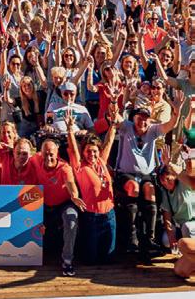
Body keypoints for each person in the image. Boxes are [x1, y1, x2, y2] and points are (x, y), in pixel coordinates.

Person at [114, 104, 180, 258]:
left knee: (150, 190)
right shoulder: (127, 127)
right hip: (126, 173)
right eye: (139, 118)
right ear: (134, 118)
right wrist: (113, 102)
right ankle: (132, 237)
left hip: (146, 175)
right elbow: (115, 117)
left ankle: (150, 238)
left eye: (145, 119)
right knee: (134, 187)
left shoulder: (153, 130)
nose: (142, 122)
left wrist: (176, 113)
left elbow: (170, 125)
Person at [66, 113, 117, 264]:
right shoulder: (80, 166)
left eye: (94, 151)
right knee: (90, 259)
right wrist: (70, 129)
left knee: (108, 259)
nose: (92, 154)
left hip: (109, 216)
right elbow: (73, 149)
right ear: (83, 152)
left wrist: (113, 125)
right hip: (91, 218)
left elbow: (109, 141)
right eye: (88, 151)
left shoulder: (101, 161)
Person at [31, 138, 86, 276]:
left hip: (64, 203)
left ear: (57, 154)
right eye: (45, 154)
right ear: (40, 153)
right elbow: (22, 153)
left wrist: (74, 195)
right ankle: (28, 254)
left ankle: (67, 260)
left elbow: (70, 182)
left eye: (51, 154)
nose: (48, 157)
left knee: (71, 219)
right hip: (43, 203)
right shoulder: (36, 159)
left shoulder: (64, 167)